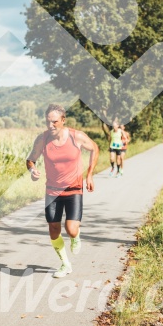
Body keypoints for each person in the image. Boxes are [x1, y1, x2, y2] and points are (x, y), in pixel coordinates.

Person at [26, 104, 99, 278]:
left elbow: (95, 148)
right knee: (53, 228)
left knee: (71, 229)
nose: (50, 126)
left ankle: (76, 236)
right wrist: (32, 170)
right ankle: (65, 264)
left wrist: (89, 174)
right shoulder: (42, 139)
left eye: (54, 122)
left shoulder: (76, 136)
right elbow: (31, 159)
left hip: (73, 189)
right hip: (52, 191)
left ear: (63, 120)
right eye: (47, 122)